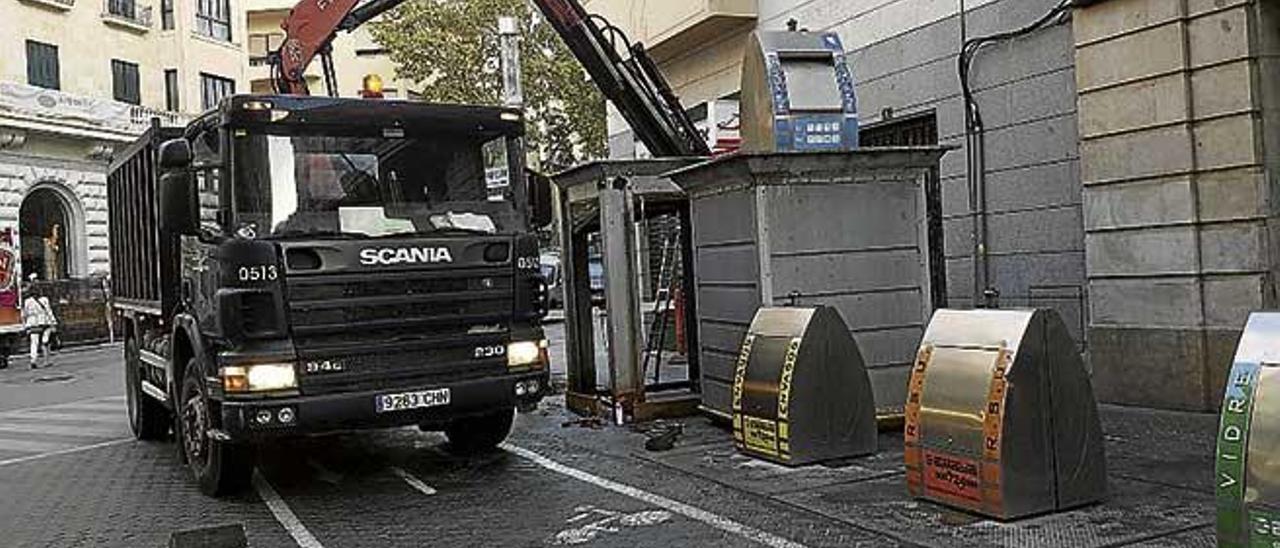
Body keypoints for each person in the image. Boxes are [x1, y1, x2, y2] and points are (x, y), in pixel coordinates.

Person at [21, 285, 56, 369]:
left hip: (32, 323)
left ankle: (33, 360)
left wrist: (25, 324)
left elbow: (24, 314)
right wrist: (53, 322)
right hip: (44, 322)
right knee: (45, 341)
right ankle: (46, 360)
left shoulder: (27, 301)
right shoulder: (44, 300)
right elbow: (49, 311)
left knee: (34, 343)